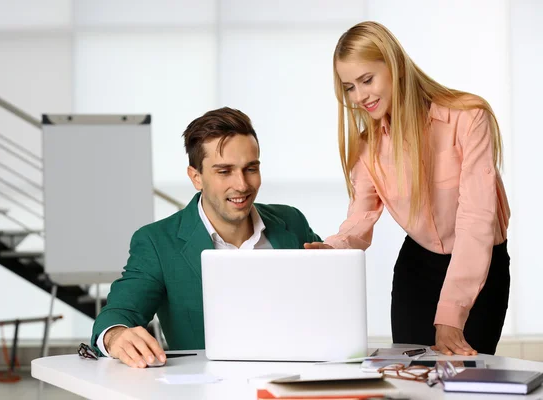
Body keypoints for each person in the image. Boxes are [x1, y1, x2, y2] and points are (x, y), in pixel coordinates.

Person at [305, 21, 510, 356]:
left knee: (466, 381)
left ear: (395, 66)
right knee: (410, 381)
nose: (360, 96)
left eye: (367, 80)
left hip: (480, 266)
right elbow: (361, 218)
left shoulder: (468, 118)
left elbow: (477, 220)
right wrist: (334, 248)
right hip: (418, 268)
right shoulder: (368, 146)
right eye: (349, 87)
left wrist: (451, 314)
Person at [91, 107, 321, 368]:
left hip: (295, 382)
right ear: (196, 177)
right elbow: (120, 313)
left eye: (251, 169)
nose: (242, 185)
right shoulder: (157, 242)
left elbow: (325, 297)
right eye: (224, 171)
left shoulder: (291, 222)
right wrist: (116, 335)